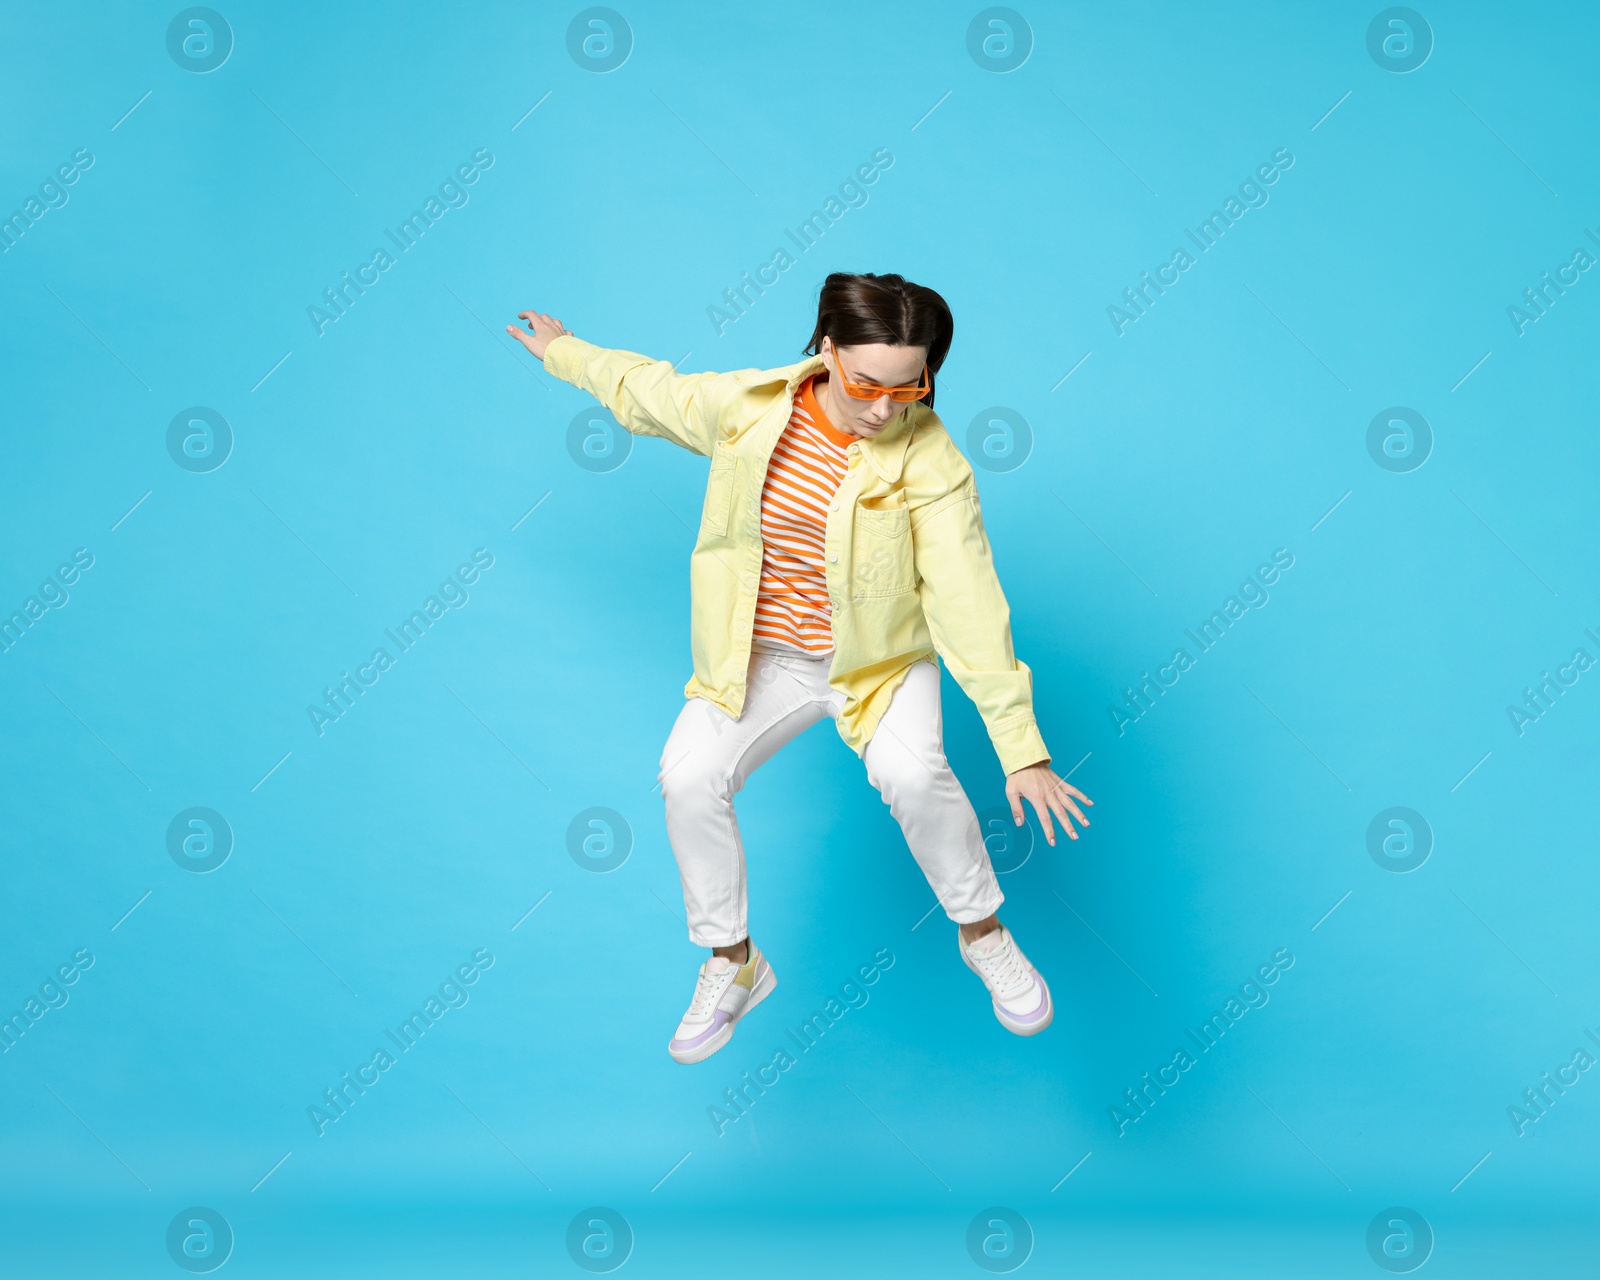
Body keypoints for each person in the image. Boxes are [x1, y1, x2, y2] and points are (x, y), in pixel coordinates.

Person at [509, 272, 1091, 1064]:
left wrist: (1021, 748)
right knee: (685, 775)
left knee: (916, 775)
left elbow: (968, 602)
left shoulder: (932, 461)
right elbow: (651, 392)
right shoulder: (749, 410)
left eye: (910, 385)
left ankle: (983, 934)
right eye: (867, 382)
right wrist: (565, 353)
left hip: (878, 667)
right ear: (826, 347)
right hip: (763, 659)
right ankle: (733, 962)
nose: (887, 407)